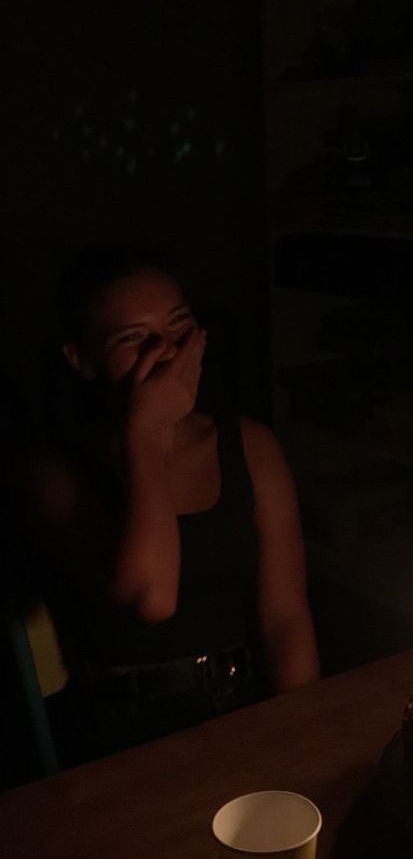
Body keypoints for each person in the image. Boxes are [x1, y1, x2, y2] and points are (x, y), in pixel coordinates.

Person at [19, 246, 320, 765]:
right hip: (115, 729)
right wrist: (145, 430)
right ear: (80, 359)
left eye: (179, 325)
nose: (168, 351)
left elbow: (286, 616)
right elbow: (150, 597)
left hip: (239, 701)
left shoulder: (248, 445)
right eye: (133, 339)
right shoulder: (53, 468)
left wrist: (305, 727)